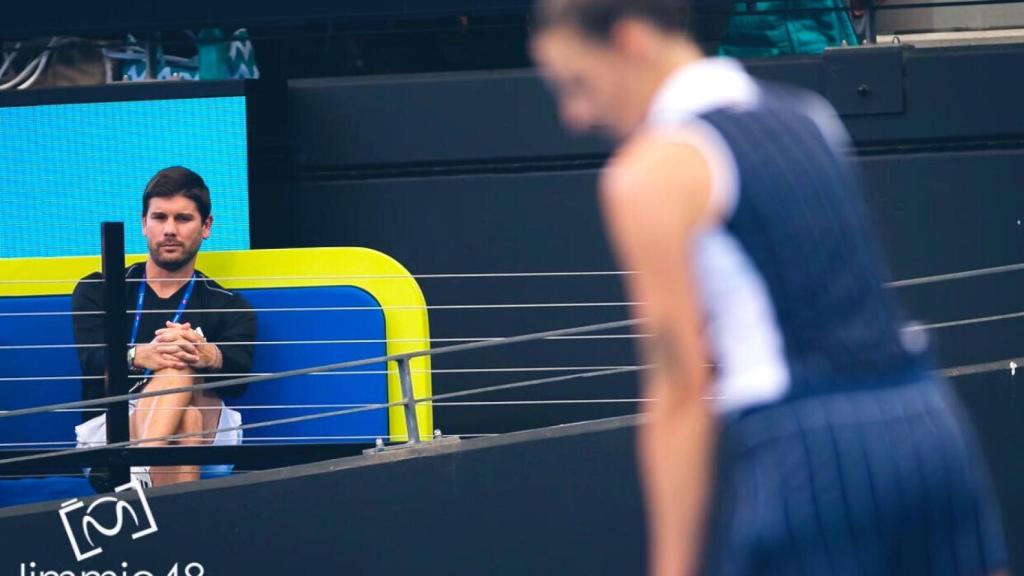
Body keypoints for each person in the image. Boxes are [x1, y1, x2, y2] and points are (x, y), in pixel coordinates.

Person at [530, 1, 1007, 574]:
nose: (575, 115)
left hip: (806, 452)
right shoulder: (811, 118)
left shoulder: (648, 175)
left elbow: (679, 388)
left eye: (576, 82)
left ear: (631, 41)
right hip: (929, 424)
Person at [71, 166, 256, 489]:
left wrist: (206, 355)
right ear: (144, 224)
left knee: (180, 366)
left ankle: (136, 472)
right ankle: (166, 507)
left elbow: (240, 376)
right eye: (160, 218)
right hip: (113, 434)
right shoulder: (97, 289)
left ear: (206, 226)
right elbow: (92, 360)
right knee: (185, 412)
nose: (169, 230)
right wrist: (140, 355)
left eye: (183, 219)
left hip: (198, 439)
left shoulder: (230, 306)